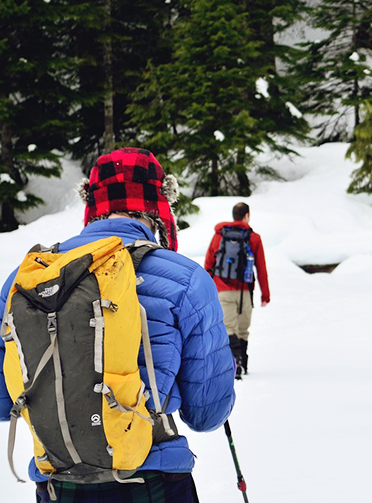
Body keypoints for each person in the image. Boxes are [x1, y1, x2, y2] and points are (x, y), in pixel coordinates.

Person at [0, 147, 236, 502]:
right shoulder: (185, 279)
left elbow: (6, 404)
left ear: (91, 207)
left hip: (58, 485)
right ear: (160, 207)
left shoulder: (27, 280)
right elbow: (207, 414)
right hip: (152, 481)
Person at [204, 202, 270, 379]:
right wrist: (265, 295)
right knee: (242, 329)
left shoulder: (219, 235)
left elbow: (209, 264)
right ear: (247, 216)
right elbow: (261, 268)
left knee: (229, 327)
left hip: (222, 289)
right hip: (244, 292)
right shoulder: (253, 238)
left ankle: (235, 363)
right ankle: (243, 363)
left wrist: (210, 289)